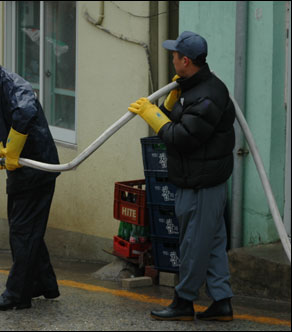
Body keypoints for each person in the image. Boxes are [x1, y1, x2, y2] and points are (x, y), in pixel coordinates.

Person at [128, 31, 235, 322]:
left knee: (192, 244)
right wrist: (169, 104)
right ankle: (222, 301)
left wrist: (153, 116)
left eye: (174, 55)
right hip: (198, 179)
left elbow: (183, 138)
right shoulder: (193, 89)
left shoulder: (209, 95)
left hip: (201, 184)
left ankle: (183, 301)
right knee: (212, 243)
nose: (171, 58)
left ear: (185, 60)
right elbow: (181, 121)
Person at [0, 38, 61, 311]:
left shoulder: (14, 85)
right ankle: (45, 284)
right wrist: (4, 151)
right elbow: (1, 129)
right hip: (21, 170)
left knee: (22, 232)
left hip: (37, 168)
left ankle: (17, 293)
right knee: (27, 231)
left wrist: (14, 150)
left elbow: (25, 112)